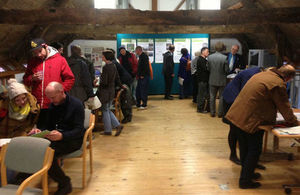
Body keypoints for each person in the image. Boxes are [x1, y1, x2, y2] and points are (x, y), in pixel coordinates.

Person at [225, 64, 299, 189]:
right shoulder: (277, 83)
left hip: (237, 115)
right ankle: (245, 181)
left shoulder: (263, 75)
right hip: (251, 120)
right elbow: (284, 107)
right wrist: (295, 122)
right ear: (288, 78)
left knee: (245, 148)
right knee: (254, 150)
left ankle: (247, 175)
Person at [28, 82, 85, 195]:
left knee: (48, 154)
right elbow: (48, 125)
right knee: (36, 148)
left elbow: (79, 130)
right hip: (56, 137)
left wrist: (63, 136)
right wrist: (40, 130)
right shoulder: (53, 104)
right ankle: (26, 175)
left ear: (61, 92)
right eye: (49, 98)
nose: (51, 100)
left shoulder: (77, 105)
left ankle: (64, 183)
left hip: (72, 140)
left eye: (53, 97)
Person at [23, 38, 75, 130]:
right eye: (35, 53)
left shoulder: (60, 60)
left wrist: (60, 91)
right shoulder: (32, 62)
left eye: (39, 51)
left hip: (55, 104)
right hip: (38, 105)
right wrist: (32, 78)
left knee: (55, 131)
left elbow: (70, 79)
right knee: (41, 132)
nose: (38, 55)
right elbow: (26, 80)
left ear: (45, 46)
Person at [222, 67, 263, 165]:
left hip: (237, 97)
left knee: (240, 130)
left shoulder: (257, 73)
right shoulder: (252, 75)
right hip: (231, 99)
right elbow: (247, 93)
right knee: (234, 128)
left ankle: (248, 159)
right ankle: (233, 155)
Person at [97, 50, 123, 136]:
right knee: (107, 109)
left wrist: (98, 82)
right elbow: (117, 78)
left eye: (103, 56)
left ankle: (109, 129)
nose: (102, 57)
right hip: (111, 91)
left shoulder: (106, 67)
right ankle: (116, 126)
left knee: (105, 109)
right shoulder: (113, 65)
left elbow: (104, 82)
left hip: (105, 92)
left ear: (106, 57)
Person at [207, 42, 229, 117]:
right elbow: (226, 70)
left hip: (212, 79)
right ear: (222, 48)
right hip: (222, 80)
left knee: (212, 96)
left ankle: (212, 113)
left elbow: (208, 68)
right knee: (222, 97)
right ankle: (220, 113)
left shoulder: (210, 57)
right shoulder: (224, 58)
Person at [196, 47, 210, 113]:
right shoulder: (201, 60)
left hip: (203, 80)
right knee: (201, 95)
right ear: (203, 52)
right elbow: (206, 69)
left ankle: (201, 108)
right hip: (202, 80)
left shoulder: (203, 59)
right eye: (207, 51)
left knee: (202, 95)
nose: (208, 53)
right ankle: (200, 109)